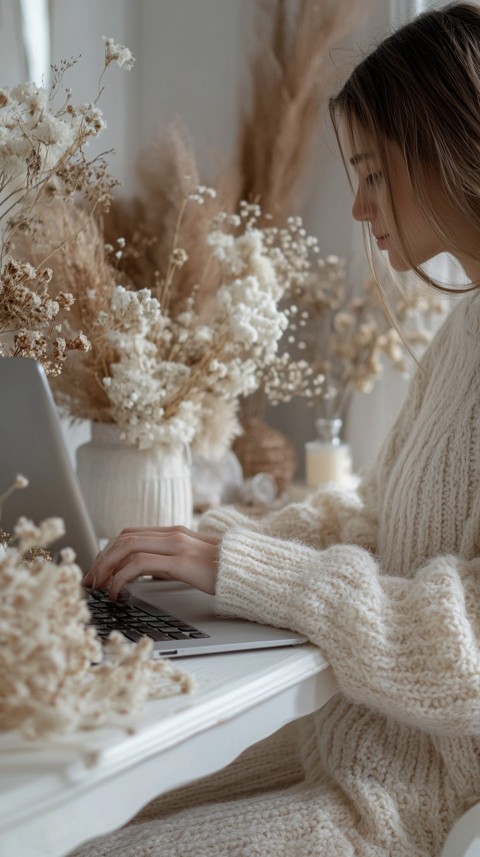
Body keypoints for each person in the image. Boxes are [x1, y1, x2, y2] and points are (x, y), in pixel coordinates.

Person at [77, 4, 480, 856]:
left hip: (410, 799)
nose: (363, 205)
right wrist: (211, 544)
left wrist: (243, 568)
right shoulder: (464, 334)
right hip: (356, 744)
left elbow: (467, 646)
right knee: (94, 820)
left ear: (450, 147)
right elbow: (374, 527)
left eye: (375, 172)